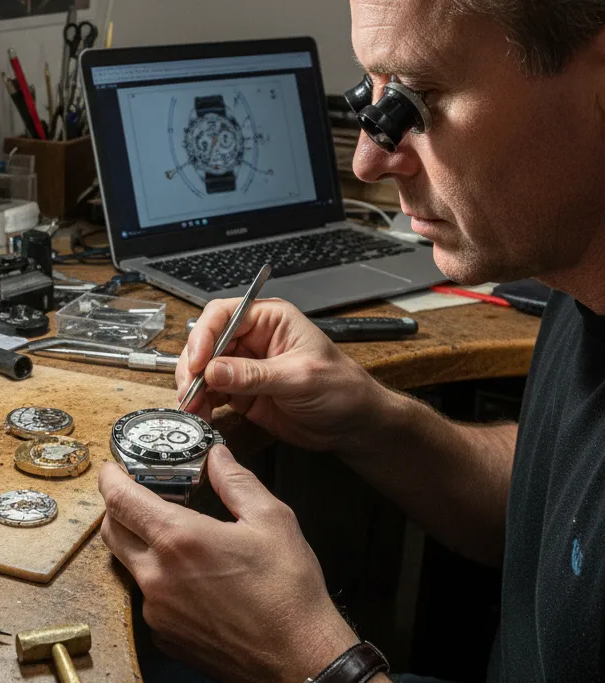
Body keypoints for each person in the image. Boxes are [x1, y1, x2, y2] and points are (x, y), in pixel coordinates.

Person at [97, 1, 605, 681]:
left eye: (416, 102)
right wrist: (369, 419)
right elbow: (561, 520)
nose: (367, 160)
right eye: (371, 94)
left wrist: (307, 656)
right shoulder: (577, 275)